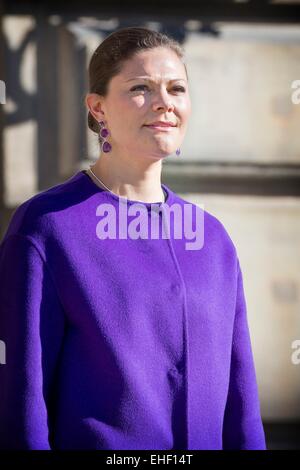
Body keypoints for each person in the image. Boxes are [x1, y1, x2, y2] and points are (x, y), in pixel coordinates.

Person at [0, 27, 266, 450]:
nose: (165, 103)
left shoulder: (212, 239)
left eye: (176, 88)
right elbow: (21, 399)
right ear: (98, 107)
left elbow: (242, 401)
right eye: (140, 88)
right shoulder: (47, 228)